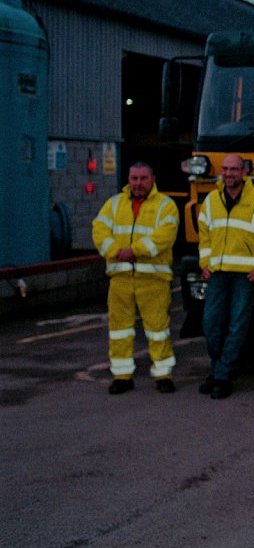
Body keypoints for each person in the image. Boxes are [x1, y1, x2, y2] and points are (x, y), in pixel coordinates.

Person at [92, 161, 180, 394]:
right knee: (119, 329)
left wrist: (134, 250)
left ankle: (163, 375)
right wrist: (115, 252)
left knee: (158, 329)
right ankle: (122, 375)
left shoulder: (166, 205)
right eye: (134, 178)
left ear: (152, 179)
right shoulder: (113, 204)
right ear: (128, 180)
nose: (138, 183)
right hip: (120, 278)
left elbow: (164, 237)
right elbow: (99, 231)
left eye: (143, 178)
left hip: (153, 280)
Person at [197, 154, 254, 399]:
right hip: (218, 273)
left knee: (237, 326)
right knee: (211, 326)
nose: (229, 173)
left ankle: (222, 376)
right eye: (225, 169)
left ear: (244, 172)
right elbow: (205, 236)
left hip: (247, 275)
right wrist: (204, 263)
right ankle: (219, 369)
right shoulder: (211, 200)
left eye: (234, 169)